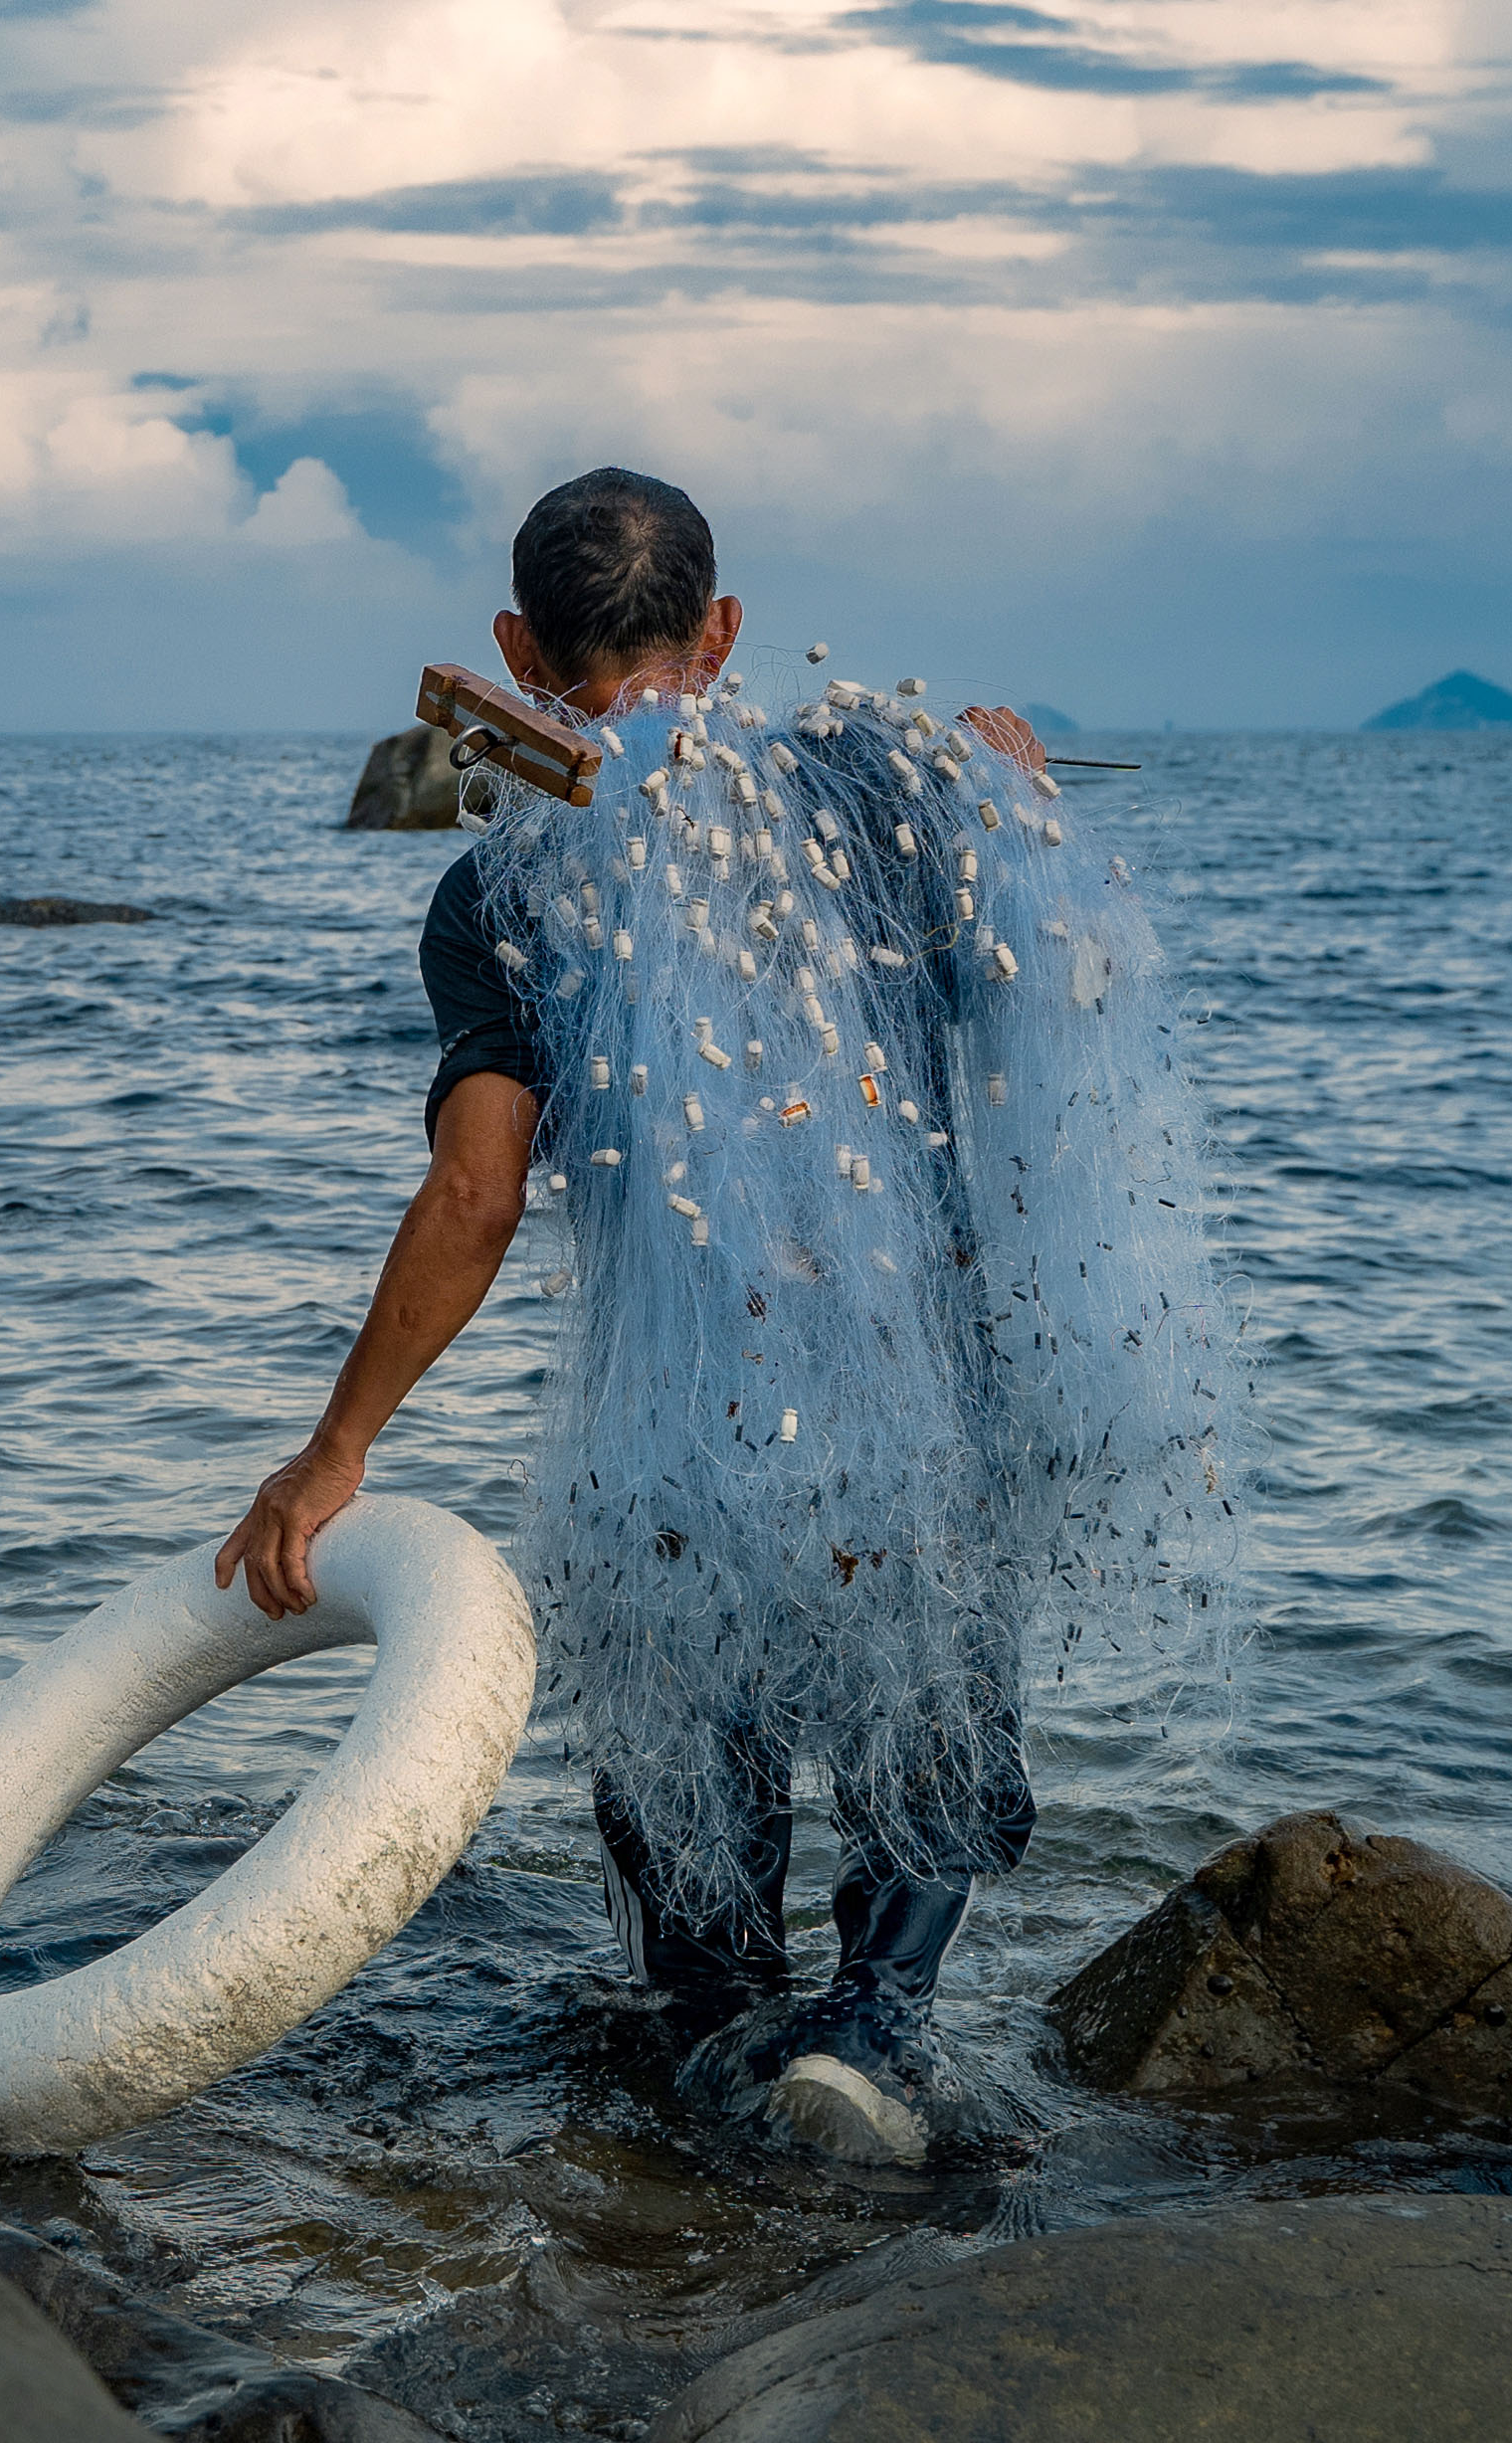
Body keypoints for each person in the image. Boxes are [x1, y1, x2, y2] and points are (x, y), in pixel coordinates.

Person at [215, 468, 1057, 2158]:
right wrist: (1009, 807)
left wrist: (333, 1455)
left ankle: (705, 2109)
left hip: (675, 1425)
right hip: (920, 1398)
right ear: (724, 632)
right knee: (929, 1712)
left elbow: (478, 1193)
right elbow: (1051, 1026)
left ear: (523, 651)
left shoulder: (499, 896)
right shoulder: (888, 803)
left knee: (691, 1835)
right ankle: (876, 2039)